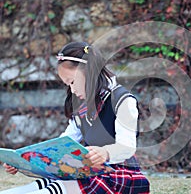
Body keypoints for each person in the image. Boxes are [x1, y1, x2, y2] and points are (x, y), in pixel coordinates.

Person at [1, 42, 150, 194]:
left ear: (90, 72)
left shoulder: (122, 100)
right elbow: (65, 142)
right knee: (31, 188)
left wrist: (106, 153)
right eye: (68, 85)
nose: (72, 90)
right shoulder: (81, 106)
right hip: (89, 171)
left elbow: (127, 147)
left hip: (117, 174)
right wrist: (23, 161)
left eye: (72, 82)